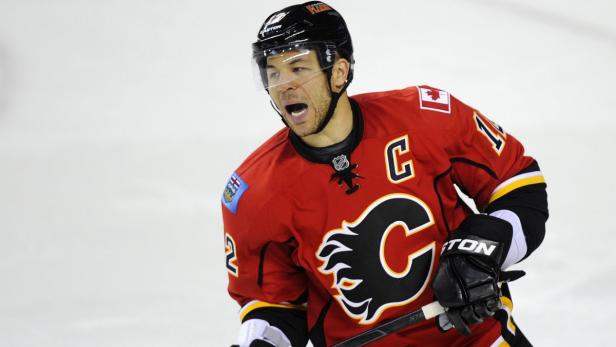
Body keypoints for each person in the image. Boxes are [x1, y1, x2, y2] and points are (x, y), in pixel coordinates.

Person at [221, 2, 548, 346]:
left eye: (298, 68)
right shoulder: (253, 191)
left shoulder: (424, 117)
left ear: (338, 72)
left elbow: (519, 185)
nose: (284, 85)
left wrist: (484, 249)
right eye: (273, 72)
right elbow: (274, 303)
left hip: (476, 340)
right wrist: (260, 342)